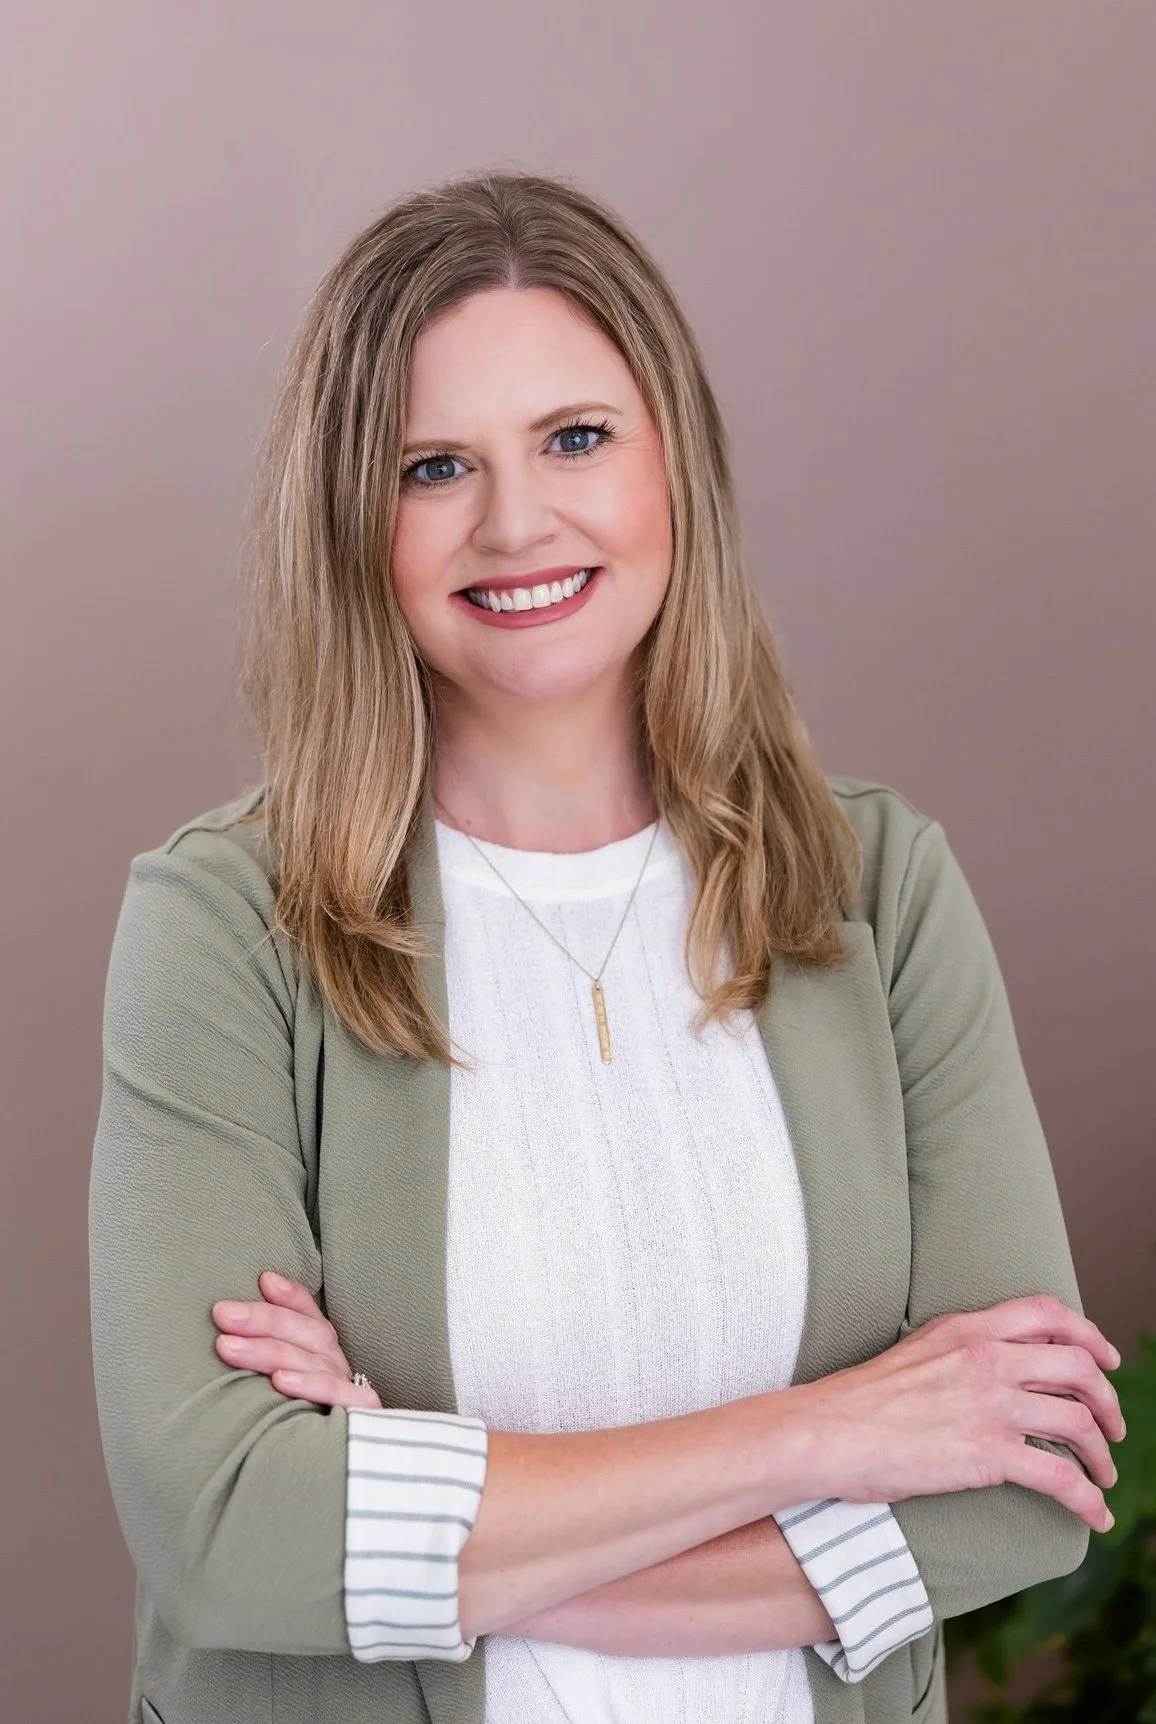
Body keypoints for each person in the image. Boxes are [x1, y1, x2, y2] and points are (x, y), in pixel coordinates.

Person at [88, 170, 1124, 1724]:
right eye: (434, 466)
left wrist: (410, 1509)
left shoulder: (881, 888)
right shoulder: (227, 926)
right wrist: (828, 1432)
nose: (517, 522)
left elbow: (1023, 1478)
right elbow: (230, 1533)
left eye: (576, 438)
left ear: (674, 464)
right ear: (351, 518)